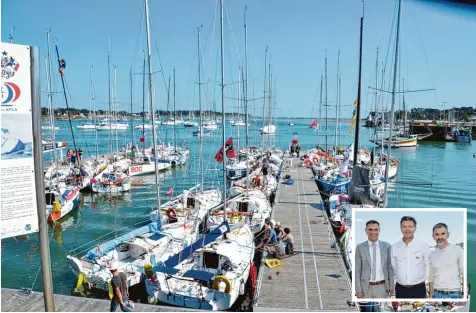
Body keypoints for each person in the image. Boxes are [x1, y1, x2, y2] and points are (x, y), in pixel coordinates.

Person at [391, 216, 431, 299]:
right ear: (400, 228)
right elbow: (393, 266)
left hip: (419, 289)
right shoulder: (394, 247)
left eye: (410, 226)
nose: (407, 229)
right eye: (404, 226)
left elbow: (429, 265)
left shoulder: (423, 245)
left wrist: (428, 284)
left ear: (415, 228)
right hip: (400, 289)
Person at [355, 220, 394, 302]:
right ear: (366, 230)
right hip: (365, 288)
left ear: (379, 231)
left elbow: (390, 268)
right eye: (370, 229)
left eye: (376, 229)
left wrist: (391, 287)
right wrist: (358, 290)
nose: (373, 232)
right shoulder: (360, 247)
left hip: (382, 288)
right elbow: (357, 270)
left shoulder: (387, 247)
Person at [429, 223, 464, 299]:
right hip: (436, 295)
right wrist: (431, 297)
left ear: (448, 235)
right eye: (437, 234)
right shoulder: (432, 255)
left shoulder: (458, 250)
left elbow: (463, 273)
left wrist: (464, 295)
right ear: (433, 237)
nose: (440, 237)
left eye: (443, 234)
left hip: (454, 295)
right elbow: (431, 278)